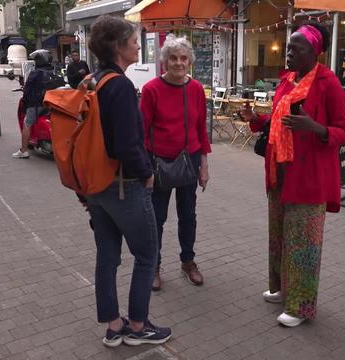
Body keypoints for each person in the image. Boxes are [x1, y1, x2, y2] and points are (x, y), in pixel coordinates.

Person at [242, 21, 345, 327]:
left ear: (314, 51)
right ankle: (282, 289)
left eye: (296, 47)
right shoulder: (287, 80)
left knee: (303, 242)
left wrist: (315, 128)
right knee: (279, 236)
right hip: (279, 172)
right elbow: (279, 121)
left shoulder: (329, 84)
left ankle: (300, 306)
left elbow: (343, 131)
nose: (288, 52)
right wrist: (256, 119)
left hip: (309, 176)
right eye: (288, 46)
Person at [85, 14, 171, 347]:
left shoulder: (97, 80)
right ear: (118, 46)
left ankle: (113, 325)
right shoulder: (119, 85)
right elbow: (126, 143)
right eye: (134, 40)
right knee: (147, 253)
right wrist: (146, 174)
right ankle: (137, 327)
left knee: (107, 257)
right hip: (123, 184)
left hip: (97, 185)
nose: (138, 45)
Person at [139, 34, 211, 291]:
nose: (178, 63)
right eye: (173, 58)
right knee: (156, 219)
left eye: (183, 58)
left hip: (189, 160)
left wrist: (203, 165)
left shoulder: (196, 90)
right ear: (164, 61)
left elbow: (201, 129)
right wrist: (145, 169)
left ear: (189, 61)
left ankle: (188, 261)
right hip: (159, 163)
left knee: (188, 215)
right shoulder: (151, 90)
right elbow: (142, 133)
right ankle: (153, 266)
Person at [12, 49, 55, 159]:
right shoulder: (53, 71)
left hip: (36, 104)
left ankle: (24, 150)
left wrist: (26, 101)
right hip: (50, 103)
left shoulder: (36, 73)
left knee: (27, 123)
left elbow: (27, 89)